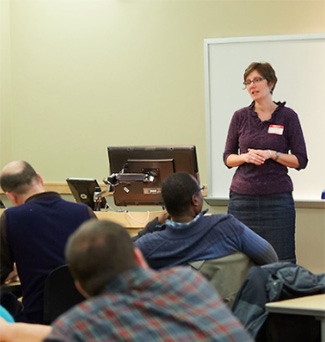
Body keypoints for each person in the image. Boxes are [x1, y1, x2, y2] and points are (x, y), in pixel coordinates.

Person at [223, 62, 308, 264]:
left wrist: (273, 154)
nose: (252, 86)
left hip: (277, 201)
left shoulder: (288, 117)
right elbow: (227, 157)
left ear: (270, 83)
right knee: (239, 261)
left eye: (256, 80)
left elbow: (300, 160)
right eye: (247, 82)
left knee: (280, 260)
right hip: (242, 201)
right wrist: (244, 157)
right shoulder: (240, 116)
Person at [0, 161, 96, 324]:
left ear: (10, 196)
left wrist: (16, 269)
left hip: (37, 321)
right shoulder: (84, 212)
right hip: (88, 317)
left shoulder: (10, 219)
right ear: (39, 178)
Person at [133, 172, 278, 270]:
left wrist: (154, 225)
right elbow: (271, 259)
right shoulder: (227, 227)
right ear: (195, 200)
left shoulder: (148, 246)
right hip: (227, 310)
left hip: (174, 313)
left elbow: (118, 255)